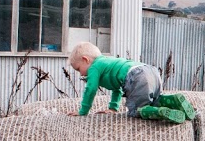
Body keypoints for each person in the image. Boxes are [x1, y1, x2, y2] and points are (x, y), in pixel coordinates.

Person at [67, 41, 196, 123]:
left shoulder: (94, 67)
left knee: (136, 111)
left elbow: (91, 89)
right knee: (153, 101)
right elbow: (117, 88)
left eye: (79, 69)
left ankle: (160, 112)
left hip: (136, 76)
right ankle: (174, 101)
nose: (81, 74)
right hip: (151, 71)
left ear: (86, 60)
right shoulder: (108, 62)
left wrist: (83, 111)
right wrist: (113, 108)